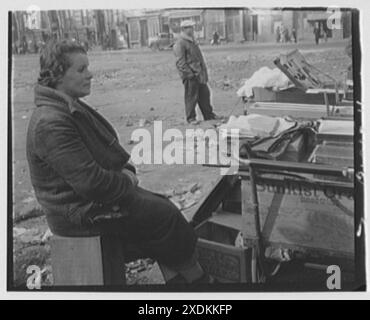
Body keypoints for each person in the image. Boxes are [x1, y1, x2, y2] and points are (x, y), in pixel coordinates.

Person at [26, 40, 215, 285]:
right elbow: (91, 183)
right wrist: (126, 178)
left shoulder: (63, 106)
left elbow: (101, 160)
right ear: (58, 75)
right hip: (79, 214)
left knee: (161, 210)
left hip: (89, 203)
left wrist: (125, 172)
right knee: (164, 217)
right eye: (81, 70)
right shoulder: (50, 122)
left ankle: (183, 281)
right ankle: (198, 283)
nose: (90, 74)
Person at [173, 20, 221, 125]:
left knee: (205, 95)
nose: (192, 29)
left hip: (199, 74)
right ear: (183, 29)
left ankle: (208, 115)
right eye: (189, 27)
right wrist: (190, 75)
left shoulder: (191, 41)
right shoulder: (180, 43)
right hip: (191, 75)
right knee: (191, 97)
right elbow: (180, 63)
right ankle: (191, 118)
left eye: (192, 27)